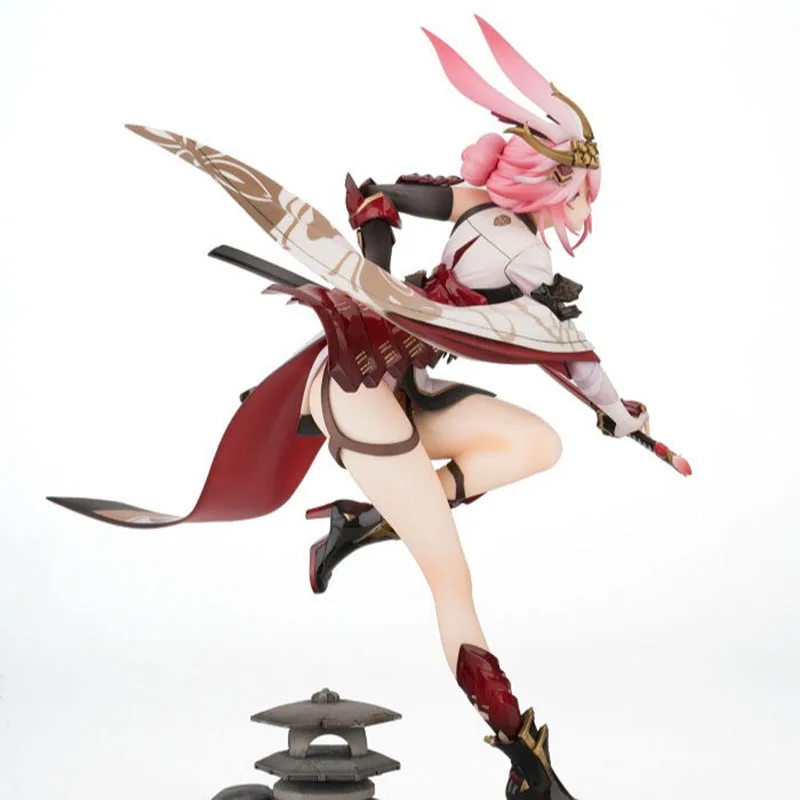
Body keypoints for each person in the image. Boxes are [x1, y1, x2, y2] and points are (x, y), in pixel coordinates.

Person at [49, 18, 653, 799]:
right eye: (583, 191)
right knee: (452, 583)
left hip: (407, 382)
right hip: (362, 391)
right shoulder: (523, 251)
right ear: (564, 184)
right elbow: (571, 351)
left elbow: (382, 201)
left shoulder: (479, 207)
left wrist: (381, 272)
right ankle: (525, 764)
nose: (584, 206)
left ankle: (362, 521)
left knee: (537, 444)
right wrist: (617, 412)